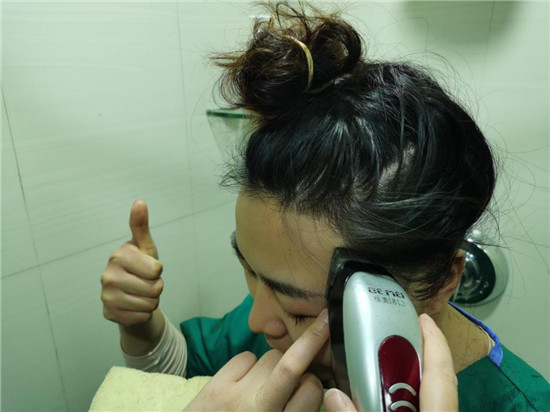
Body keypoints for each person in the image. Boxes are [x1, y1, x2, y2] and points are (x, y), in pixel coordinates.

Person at [100, 2, 550, 411]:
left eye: (300, 312)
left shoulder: (518, 404)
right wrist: (141, 326)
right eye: (249, 270)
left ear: (441, 284)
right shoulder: (272, 307)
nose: (257, 319)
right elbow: (185, 374)